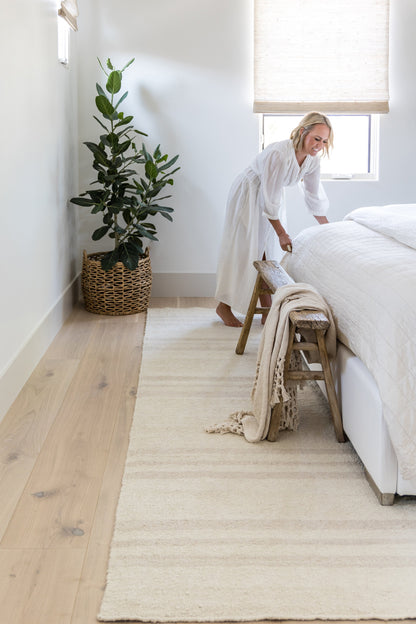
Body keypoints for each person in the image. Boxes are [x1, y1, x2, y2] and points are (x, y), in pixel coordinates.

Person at [215, 111, 333, 327]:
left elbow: (313, 197)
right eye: (316, 138)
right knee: (247, 248)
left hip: (272, 196)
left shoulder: (312, 161)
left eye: (324, 141)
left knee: (269, 251)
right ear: (302, 132)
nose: (319, 145)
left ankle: (267, 309)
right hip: (250, 193)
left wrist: (329, 229)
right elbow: (268, 198)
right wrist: (281, 232)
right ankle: (225, 306)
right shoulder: (279, 154)